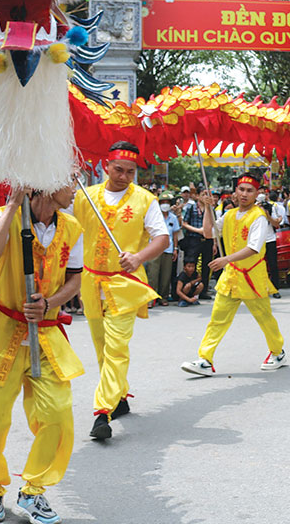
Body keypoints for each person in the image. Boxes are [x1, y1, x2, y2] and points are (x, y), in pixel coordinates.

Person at [0, 185, 83, 524]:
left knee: (58, 416)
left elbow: (75, 279)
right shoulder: (3, 216)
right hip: (0, 331)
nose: (74, 188)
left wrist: (50, 303)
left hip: (45, 332)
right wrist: (15, 205)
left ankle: (33, 490)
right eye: (69, 180)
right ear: (45, 184)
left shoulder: (73, 227)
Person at [74, 142, 169, 440]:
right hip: (91, 282)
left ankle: (102, 412)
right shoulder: (84, 196)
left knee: (116, 348)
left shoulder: (145, 200)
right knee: (102, 347)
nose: (125, 176)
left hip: (125, 284)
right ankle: (120, 397)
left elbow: (162, 238)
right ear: (106, 166)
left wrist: (139, 257)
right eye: (119, 170)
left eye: (131, 172)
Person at [181, 174, 286, 375]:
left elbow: (254, 248)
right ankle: (205, 359)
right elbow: (208, 232)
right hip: (231, 277)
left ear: (257, 194)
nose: (245, 194)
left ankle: (277, 351)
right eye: (241, 189)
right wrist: (208, 208)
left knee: (265, 318)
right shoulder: (229, 215)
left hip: (252, 277)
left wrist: (225, 259)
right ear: (235, 192)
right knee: (217, 318)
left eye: (250, 190)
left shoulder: (259, 217)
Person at [145, 194, 181, 306]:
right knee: (152, 274)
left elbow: (175, 234)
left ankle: (163, 297)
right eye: (162, 202)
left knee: (166, 275)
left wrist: (175, 249)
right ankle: (151, 298)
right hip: (154, 248)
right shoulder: (154, 216)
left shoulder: (173, 218)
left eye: (167, 202)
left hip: (168, 249)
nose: (165, 204)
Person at [180, 185, 213, 299]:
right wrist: (198, 230)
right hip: (193, 239)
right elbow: (184, 223)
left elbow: (214, 226)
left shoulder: (210, 209)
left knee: (207, 264)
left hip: (208, 240)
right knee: (191, 263)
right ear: (198, 196)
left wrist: (215, 244)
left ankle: (203, 290)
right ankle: (187, 289)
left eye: (208, 195)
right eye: (203, 194)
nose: (206, 197)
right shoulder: (191, 207)